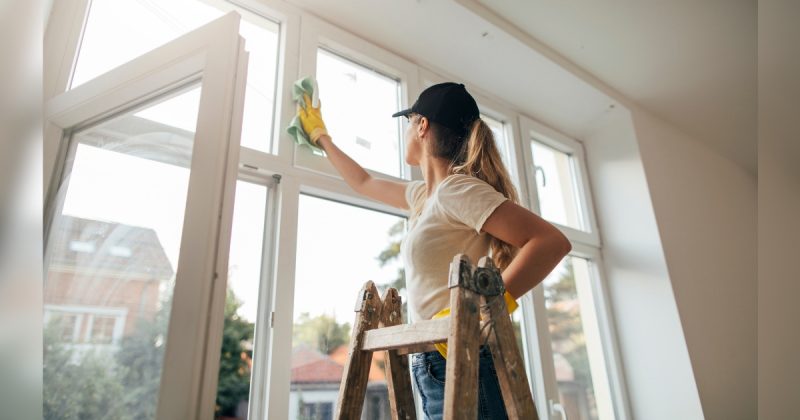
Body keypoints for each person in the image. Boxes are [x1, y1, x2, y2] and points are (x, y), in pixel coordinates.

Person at [298, 82, 571, 419]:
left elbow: (550, 242)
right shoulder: (423, 197)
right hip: (434, 360)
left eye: (409, 122)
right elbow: (363, 182)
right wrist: (320, 136)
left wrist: (483, 311)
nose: (406, 132)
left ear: (422, 125)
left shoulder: (457, 189)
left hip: (464, 357)